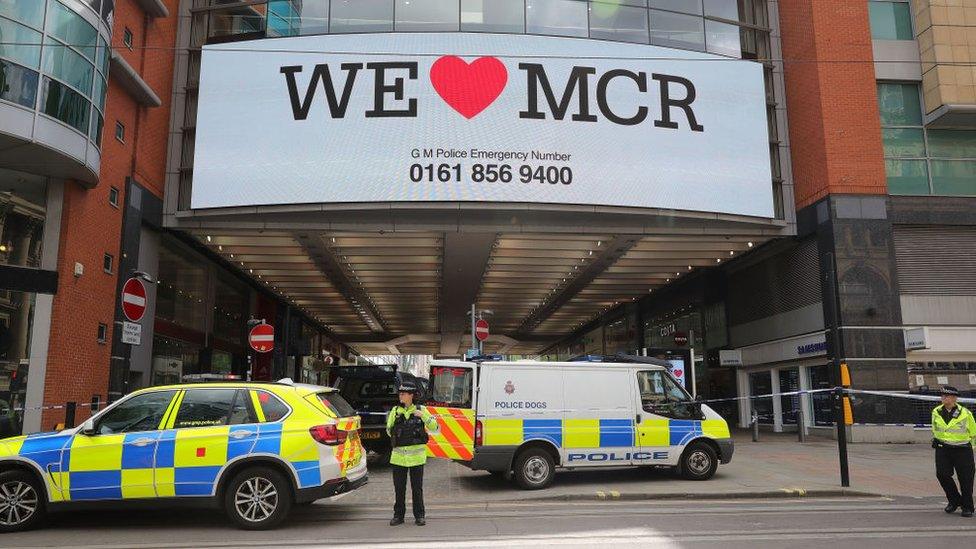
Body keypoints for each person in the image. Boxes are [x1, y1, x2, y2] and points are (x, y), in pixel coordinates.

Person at [386, 378, 439, 526]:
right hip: (398, 458)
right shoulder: (395, 411)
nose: (400, 396)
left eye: (403, 393)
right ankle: (398, 516)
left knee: (417, 489)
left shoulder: (422, 410)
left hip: (417, 458)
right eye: (400, 393)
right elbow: (388, 430)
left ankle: (420, 516)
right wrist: (398, 431)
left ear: (411, 395)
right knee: (399, 489)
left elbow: (436, 428)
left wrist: (424, 417)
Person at [932, 386, 976, 517]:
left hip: (962, 449)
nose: (943, 398)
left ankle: (967, 507)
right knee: (942, 474)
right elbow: (936, 428)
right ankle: (955, 500)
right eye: (942, 396)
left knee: (966, 479)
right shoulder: (936, 411)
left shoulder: (965, 413)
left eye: (946, 396)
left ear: (954, 398)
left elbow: (973, 432)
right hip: (943, 448)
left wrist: (971, 447)